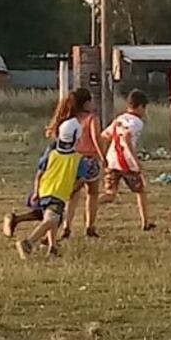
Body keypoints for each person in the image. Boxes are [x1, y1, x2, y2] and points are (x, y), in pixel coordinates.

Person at [3, 90, 93, 238]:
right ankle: (35, 240)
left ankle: (48, 241)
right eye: (90, 101)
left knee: (45, 212)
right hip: (55, 181)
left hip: (50, 181)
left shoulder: (66, 126)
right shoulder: (74, 125)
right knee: (52, 214)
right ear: (84, 104)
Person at [15, 117, 86, 258]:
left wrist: (36, 192)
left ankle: (52, 247)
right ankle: (28, 243)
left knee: (54, 218)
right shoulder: (79, 159)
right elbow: (82, 179)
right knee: (51, 220)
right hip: (58, 194)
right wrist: (72, 190)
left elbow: (39, 174)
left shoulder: (51, 154)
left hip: (44, 190)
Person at [99, 90, 155, 231]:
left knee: (110, 195)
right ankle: (145, 223)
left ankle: (91, 204)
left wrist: (104, 154)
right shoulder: (136, 122)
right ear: (141, 107)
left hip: (112, 160)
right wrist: (135, 160)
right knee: (140, 191)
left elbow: (105, 135)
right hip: (126, 162)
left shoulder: (119, 118)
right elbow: (127, 138)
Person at [62, 88, 105, 239]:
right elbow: (96, 138)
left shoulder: (71, 119)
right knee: (92, 193)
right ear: (86, 103)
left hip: (73, 159)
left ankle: (67, 226)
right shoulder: (92, 118)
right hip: (90, 159)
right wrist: (103, 156)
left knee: (72, 195)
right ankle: (90, 226)